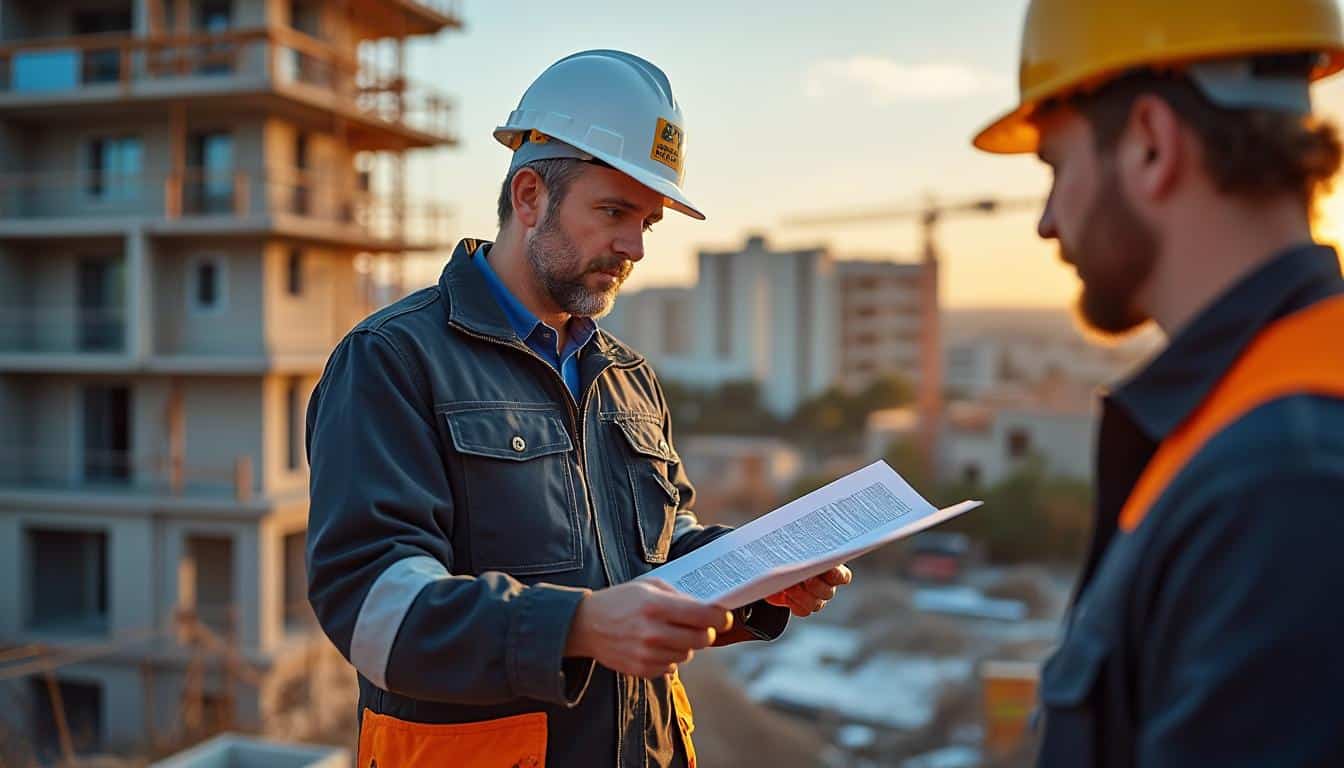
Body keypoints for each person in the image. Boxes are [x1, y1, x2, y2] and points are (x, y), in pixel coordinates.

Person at [305, 49, 851, 768]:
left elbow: (655, 556)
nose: (634, 246)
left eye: (648, 221)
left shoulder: (626, 376)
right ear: (529, 196)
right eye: (613, 211)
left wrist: (755, 579)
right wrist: (577, 625)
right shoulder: (394, 360)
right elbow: (371, 606)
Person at [972, 1, 1344, 764]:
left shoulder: (1282, 482)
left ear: (1149, 144)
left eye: (1056, 167)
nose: (1045, 222)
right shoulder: (1250, 421)